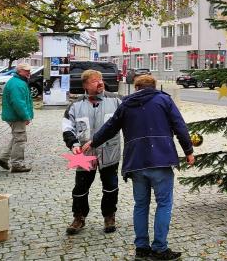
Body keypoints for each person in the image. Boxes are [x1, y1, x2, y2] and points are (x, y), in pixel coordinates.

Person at [83, 74, 194, 261]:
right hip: (161, 160)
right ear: (154, 86)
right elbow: (179, 125)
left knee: (141, 205)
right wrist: (188, 150)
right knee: (164, 204)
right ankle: (159, 249)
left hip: (136, 162)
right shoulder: (164, 100)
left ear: (136, 88)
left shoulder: (125, 104)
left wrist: (93, 141)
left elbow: (110, 127)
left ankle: (141, 249)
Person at [62, 70, 122, 235]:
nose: (100, 83)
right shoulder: (75, 105)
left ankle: (109, 216)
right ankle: (79, 217)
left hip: (109, 152)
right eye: (95, 81)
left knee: (110, 187)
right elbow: (67, 127)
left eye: (101, 79)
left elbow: (132, 119)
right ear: (85, 85)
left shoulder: (116, 100)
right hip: (84, 154)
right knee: (80, 188)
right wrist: (73, 143)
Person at [0, 63, 34, 173]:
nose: (29, 72)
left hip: (14, 115)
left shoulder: (18, 81)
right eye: (26, 70)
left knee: (17, 137)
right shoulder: (17, 84)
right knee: (20, 138)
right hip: (16, 116)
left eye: (29, 70)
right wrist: (26, 116)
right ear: (19, 71)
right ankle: (17, 164)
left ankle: (3, 158)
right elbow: (18, 103)